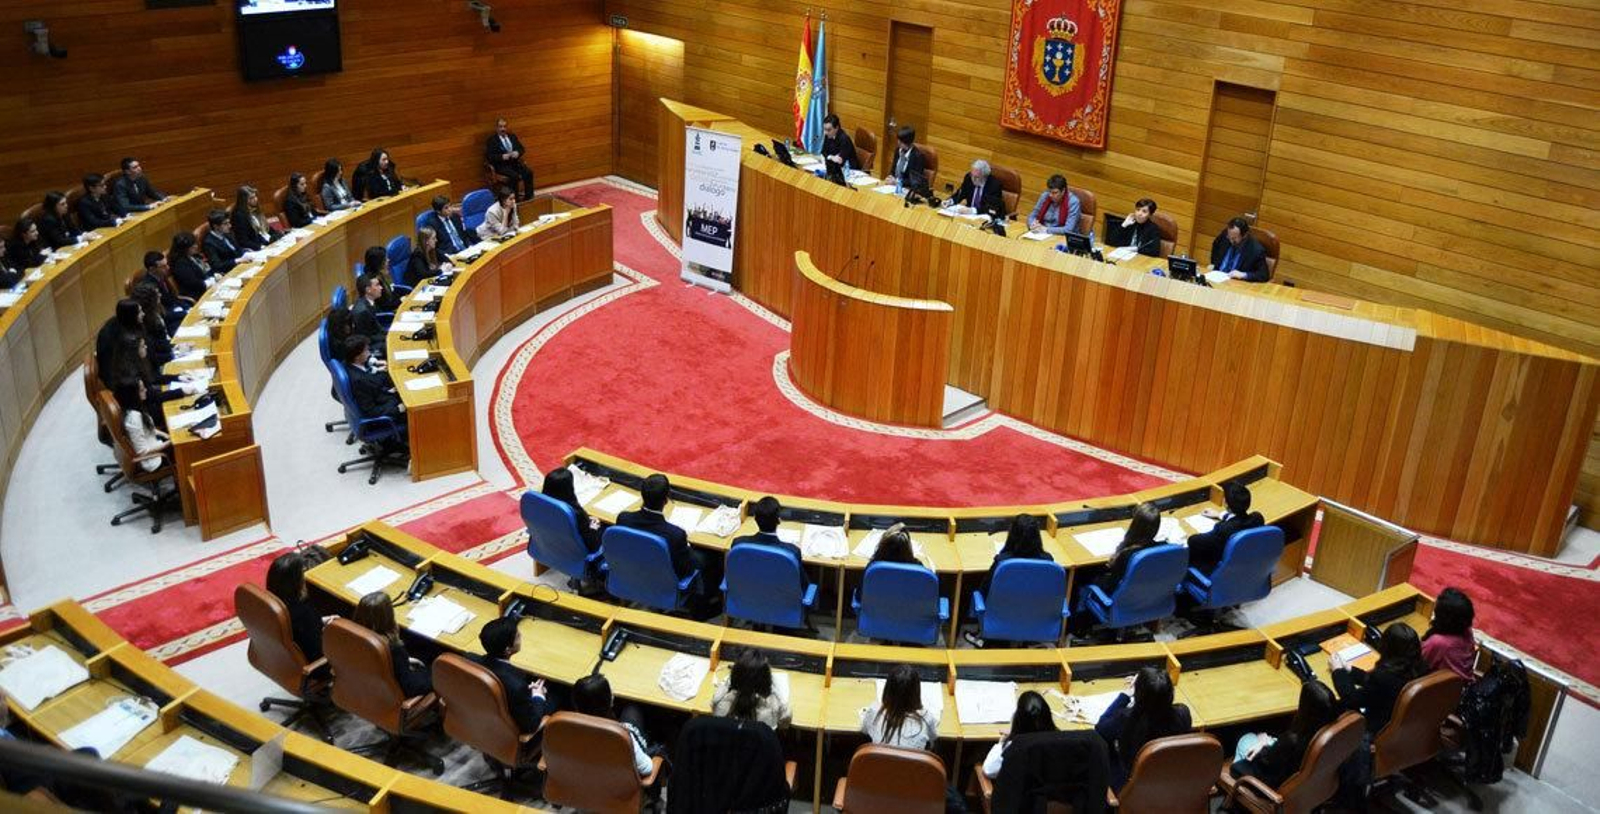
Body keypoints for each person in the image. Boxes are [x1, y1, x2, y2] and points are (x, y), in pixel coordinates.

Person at [617, 473, 722, 616]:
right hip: (665, 577)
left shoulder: (623, 519)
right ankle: (702, 608)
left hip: (635, 569)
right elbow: (686, 568)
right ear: (666, 500)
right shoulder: (675, 534)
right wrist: (687, 549)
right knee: (709, 557)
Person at [1095, 666, 1193, 788]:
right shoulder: (1183, 713)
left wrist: (1124, 696)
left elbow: (1100, 728)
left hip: (1133, 783)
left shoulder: (1126, 717)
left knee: (1102, 747)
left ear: (1138, 694)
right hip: (1169, 780)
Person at [1231, 680, 1340, 789]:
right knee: (1265, 736)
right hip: (1296, 776)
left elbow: (1265, 762)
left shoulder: (1292, 740)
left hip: (1270, 781)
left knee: (1245, 737)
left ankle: (1235, 790)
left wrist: (1262, 743)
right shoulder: (1328, 731)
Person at [966, 514, 1054, 648]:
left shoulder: (1003, 562)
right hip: (1035, 618)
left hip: (1000, 618)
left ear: (1012, 535)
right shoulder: (1048, 561)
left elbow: (984, 591)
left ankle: (983, 636)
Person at [1330, 622, 1427, 733]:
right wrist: (1351, 670)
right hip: (1406, 724)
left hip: (1378, 728)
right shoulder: (1421, 667)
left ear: (1386, 646)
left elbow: (1351, 699)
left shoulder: (1383, 677)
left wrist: (1337, 671)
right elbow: (1373, 685)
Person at [473, 617, 550, 733]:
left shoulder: (471, 659)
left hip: (482, 714)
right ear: (508, 650)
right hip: (510, 727)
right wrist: (538, 695)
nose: (521, 636)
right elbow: (530, 724)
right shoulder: (517, 686)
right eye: (518, 636)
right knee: (559, 693)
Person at [351, 591, 431, 697]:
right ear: (389, 616)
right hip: (392, 692)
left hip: (367, 680)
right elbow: (411, 687)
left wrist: (406, 660)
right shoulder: (393, 649)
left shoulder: (352, 633)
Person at [573, 674, 655, 776]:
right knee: (633, 709)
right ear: (611, 701)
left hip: (584, 778)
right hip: (618, 784)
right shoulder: (621, 735)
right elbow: (647, 769)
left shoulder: (563, 729)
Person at [1185, 481, 1265, 576]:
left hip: (1216, 568)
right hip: (1243, 565)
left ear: (1226, 505)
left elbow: (1193, 541)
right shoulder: (1257, 518)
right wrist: (1219, 514)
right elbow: (1239, 519)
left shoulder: (1223, 529)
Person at [730, 496, 807, 589]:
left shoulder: (738, 544)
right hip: (780, 600)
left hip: (745, 598)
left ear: (755, 518)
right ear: (779, 520)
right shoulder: (792, 552)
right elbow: (803, 585)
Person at [860, 663, 939, 749]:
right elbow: (933, 739)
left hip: (879, 762)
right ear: (916, 692)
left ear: (887, 690)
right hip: (913, 762)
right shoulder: (927, 718)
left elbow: (864, 730)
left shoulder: (875, 712)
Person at [981, 690, 1056, 778]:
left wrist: (1001, 743)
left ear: (1018, 720)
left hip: (1021, 789)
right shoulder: (1061, 742)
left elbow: (988, 770)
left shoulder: (1014, 747)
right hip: (1050, 789)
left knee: (977, 754)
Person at [265, 552, 326, 661]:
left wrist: (320, 621)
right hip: (320, 666)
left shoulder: (271, 604)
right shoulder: (304, 613)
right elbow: (317, 653)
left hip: (284, 660)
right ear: (297, 583)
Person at [1092, 502, 1162, 595]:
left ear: (1134, 525)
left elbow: (1111, 584)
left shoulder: (1127, 554)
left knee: (1086, 574)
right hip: (1148, 596)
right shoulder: (1162, 548)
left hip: (1121, 598)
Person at [712, 650, 791, 731]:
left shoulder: (720, 700)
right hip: (760, 742)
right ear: (767, 680)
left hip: (723, 741)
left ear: (733, 677)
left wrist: (727, 682)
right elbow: (784, 725)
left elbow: (714, 705)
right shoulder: (775, 704)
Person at [342, 334, 405, 429]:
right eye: (366, 351)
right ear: (357, 357)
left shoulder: (348, 363)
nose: (369, 353)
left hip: (380, 396)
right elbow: (370, 411)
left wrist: (387, 391)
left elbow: (371, 389)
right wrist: (398, 409)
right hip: (384, 411)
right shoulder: (359, 381)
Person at [112, 379, 170, 471]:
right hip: (153, 459)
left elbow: (148, 428)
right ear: (133, 396)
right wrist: (169, 443)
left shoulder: (134, 408)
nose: (146, 390)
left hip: (154, 442)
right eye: (142, 390)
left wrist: (165, 435)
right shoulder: (134, 418)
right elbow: (142, 452)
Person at [1422, 588, 1477, 683]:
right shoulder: (1466, 630)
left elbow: (1419, 664)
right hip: (1458, 688)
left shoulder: (1438, 643)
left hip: (1436, 691)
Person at [541, 466, 601, 553]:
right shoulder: (573, 512)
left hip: (548, 542)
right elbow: (590, 541)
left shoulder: (540, 502)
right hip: (575, 549)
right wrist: (594, 527)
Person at [134, 251, 190, 332]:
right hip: (167, 321)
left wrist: (187, 308)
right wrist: (184, 313)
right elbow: (159, 314)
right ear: (152, 269)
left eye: (167, 264)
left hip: (175, 311)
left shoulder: (161, 276)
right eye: (163, 266)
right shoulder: (149, 287)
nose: (168, 268)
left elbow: (173, 297)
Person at [95, 299, 144, 388]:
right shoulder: (122, 340)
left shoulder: (123, 325)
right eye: (140, 312)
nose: (143, 314)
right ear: (132, 316)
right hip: (124, 386)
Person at [485, 118, 535, 201]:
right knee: (514, 176)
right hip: (502, 166)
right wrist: (502, 157)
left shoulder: (512, 137)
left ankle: (529, 197)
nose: (503, 129)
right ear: (496, 128)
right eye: (500, 127)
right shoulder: (492, 140)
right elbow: (490, 157)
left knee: (529, 172)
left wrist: (517, 153)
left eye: (504, 126)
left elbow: (521, 149)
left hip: (515, 163)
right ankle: (515, 200)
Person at [1210, 216, 1270, 282]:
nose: (1230, 241)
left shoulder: (1256, 250)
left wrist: (1243, 275)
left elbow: (1263, 275)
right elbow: (1215, 246)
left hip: (1236, 283)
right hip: (1217, 279)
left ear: (1245, 235)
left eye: (1234, 238)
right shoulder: (1225, 235)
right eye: (1229, 237)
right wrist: (1214, 264)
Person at [168, 232, 213, 300]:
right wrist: (210, 282)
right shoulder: (180, 264)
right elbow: (193, 284)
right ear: (183, 249)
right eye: (192, 246)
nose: (196, 246)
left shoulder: (193, 255)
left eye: (195, 243)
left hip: (207, 285)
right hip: (197, 294)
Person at [230, 185, 276, 250]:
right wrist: (261, 247)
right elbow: (243, 241)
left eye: (255, 196)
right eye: (251, 198)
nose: (255, 199)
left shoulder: (255, 209)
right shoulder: (239, 216)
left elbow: (266, 227)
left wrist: (278, 235)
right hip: (258, 246)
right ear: (244, 200)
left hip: (268, 240)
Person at [350, 273, 388, 348]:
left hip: (376, 338)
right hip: (369, 347)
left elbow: (376, 329)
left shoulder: (369, 302)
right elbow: (367, 339)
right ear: (368, 290)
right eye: (377, 285)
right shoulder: (362, 312)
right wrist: (388, 337)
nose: (381, 288)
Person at [889, 126, 928, 194]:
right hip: (893, 187)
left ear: (907, 142)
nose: (898, 143)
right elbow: (893, 170)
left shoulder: (918, 157)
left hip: (907, 190)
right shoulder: (898, 150)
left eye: (900, 141)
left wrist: (897, 182)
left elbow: (915, 181)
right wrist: (890, 177)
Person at [362, 245, 403, 310]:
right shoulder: (374, 282)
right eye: (385, 259)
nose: (388, 260)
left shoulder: (380, 274)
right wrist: (402, 300)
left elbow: (391, 294)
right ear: (378, 262)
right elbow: (385, 305)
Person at [202, 209, 242, 274]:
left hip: (241, 265)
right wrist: (236, 261)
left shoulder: (227, 234)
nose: (230, 226)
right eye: (225, 224)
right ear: (216, 226)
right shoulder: (209, 243)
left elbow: (238, 249)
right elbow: (217, 265)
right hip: (230, 272)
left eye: (229, 222)